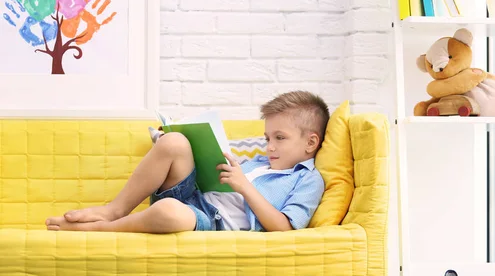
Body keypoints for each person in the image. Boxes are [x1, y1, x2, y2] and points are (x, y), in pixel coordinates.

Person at [45, 91, 328, 233]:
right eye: (267, 138)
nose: (270, 147)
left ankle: (99, 229)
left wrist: (244, 186)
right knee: (174, 142)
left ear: (311, 142)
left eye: (279, 138)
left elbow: (285, 228)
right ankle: (113, 211)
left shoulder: (308, 179)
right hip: (194, 194)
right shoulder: (257, 162)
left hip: (207, 220)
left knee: (169, 210)